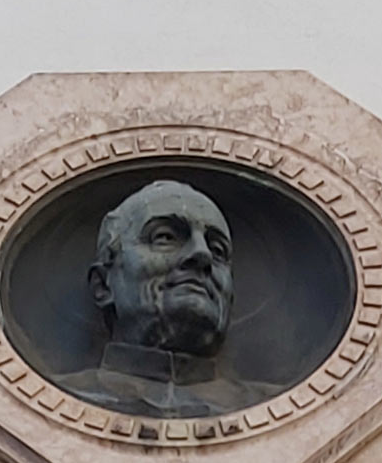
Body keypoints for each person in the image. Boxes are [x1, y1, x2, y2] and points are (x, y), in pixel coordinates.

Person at [56, 180, 274, 419]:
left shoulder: (269, 404)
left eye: (218, 250)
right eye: (165, 237)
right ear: (102, 285)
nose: (202, 254)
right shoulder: (60, 397)